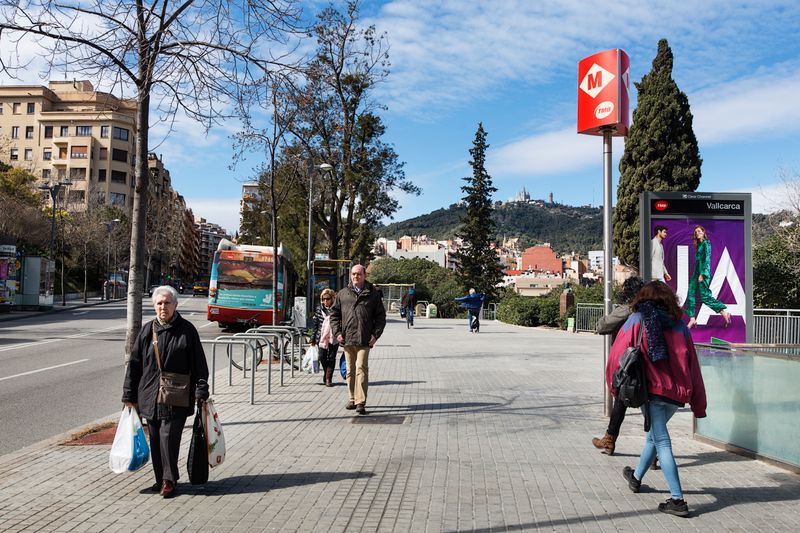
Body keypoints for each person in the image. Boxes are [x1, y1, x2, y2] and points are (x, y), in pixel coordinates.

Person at [606, 281, 707, 517]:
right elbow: (693, 366)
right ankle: (636, 477)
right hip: (677, 393)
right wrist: (698, 404)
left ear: (643, 298)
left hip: (650, 391)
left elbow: (616, 356)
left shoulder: (638, 319)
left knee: (661, 441)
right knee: (654, 437)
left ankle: (677, 499)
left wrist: (614, 389)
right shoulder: (680, 326)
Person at [122, 285, 209, 498]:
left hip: (176, 395)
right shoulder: (146, 331)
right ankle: (160, 478)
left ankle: (169, 480)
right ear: (154, 306)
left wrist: (201, 390)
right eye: (159, 303)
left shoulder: (187, 330)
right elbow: (134, 365)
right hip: (149, 395)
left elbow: (199, 364)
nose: (163, 307)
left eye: (167, 303)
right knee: (155, 440)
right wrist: (129, 396)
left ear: (175, 305)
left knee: (169, 437)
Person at [591, 276, 645, 455]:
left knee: (621, 400)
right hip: (649, 362)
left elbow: (602, 325)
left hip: (628, 363)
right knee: (646, 405)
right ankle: (652, 450)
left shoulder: (630, 310)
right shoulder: (654, 310)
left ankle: (610, 440)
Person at [330, 264, 386, 415]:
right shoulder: (342, 294)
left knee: (361, 368)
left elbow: (381, 316)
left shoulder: (373, 294)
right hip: (347, 339)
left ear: (364, 275)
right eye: (353, 274)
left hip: (364, 338)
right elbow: (334, 315)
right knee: (350, 370)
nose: (356, 276)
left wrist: (375, 335)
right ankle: (352, 398)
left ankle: (361, 402)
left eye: (359, 274)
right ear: (351, 276)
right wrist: (337, 333)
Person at [684, 225, 731, 328]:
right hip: (696, 273)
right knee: (691, 292)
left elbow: (707, 260)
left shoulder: (706, 244)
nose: (697, 233)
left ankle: (724, 312)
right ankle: (692, 319)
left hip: (703, 273)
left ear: (703, 232)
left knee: (705, 297)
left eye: (699, 231)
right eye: (696, 232)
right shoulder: (699, 245)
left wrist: (703, 274)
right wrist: (697, 274)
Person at [311, 288, 339, 387]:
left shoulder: (337, 309)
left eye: (327, 299)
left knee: (331, 357)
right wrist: (313, 338)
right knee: (322, 356)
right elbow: (316, 325)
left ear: (332, 298)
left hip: (334, 337)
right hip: (322, 337)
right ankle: (326, 372)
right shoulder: (319, 309)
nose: (325, 301)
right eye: (323, 299)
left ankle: (328, 378)